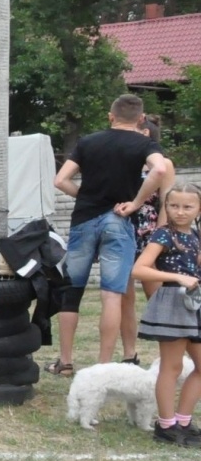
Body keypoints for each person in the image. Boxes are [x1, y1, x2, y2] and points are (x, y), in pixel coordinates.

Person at [48, 94, 172, 375]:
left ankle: (65, 362)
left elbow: (60, 180)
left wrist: (87, 196)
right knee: (112, 295)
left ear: (110, 116)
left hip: (84, 220)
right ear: (141, 119)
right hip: (118, 221)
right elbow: (160, 168)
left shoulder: (88, 142)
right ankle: (102, 368)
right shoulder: (145, 143)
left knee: (72, 292)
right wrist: (137, 203)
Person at [131, 183, 201, 447]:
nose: (180, 212)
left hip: (194, 305)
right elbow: (139, 270)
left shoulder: (195, 235)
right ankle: (167, 425)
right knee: (172, 367)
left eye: (187, 206)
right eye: (174, 206)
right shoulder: (163, 235)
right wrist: (176, 277)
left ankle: (183, 421)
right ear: (166, 207)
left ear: (198, 209)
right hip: (172, 302)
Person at [118, 116, 167, 365]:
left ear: (144, 133)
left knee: (157, 295)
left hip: (149, 234)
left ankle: (169, 350)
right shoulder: (126, 162)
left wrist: (159, 237)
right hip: (123, 229)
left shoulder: (164, 164)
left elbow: (166, 203)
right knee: (125, 296)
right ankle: (129, 354)